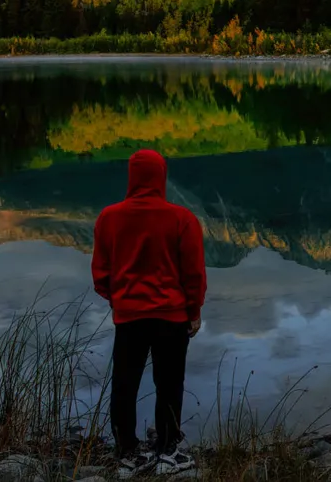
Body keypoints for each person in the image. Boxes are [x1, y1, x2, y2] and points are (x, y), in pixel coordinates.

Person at [93, 150, 207, 478]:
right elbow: (194, 274)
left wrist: (117, 300)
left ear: (131, 176)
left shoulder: (108, 218)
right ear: (161, 176)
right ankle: (168, 451)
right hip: (172, 318)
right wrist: (194, 311)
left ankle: (127, 452)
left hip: (128, 317)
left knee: (124, 384)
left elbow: (101, 273)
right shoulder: (182, 219)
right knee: (169, 383)